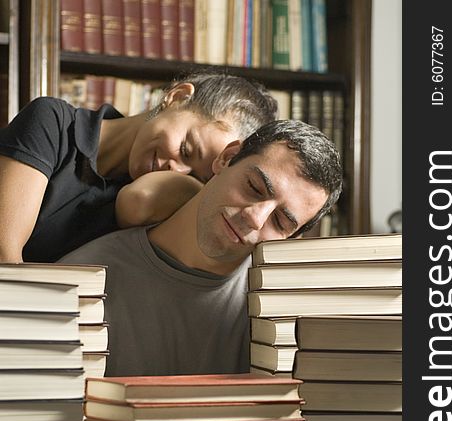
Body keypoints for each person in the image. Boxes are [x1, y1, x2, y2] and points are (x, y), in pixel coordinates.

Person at [59, 120, 343, 377]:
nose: (254, 219)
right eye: (254, 187)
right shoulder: (82, 279)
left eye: (280, 221)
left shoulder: (284, 319)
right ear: (227, 158)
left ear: (291, 240)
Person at [0, 70, 277, 263]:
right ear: (177, 96)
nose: (176, 169)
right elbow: (5, 256)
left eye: (196, 176)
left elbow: (138, 201)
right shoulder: (53, 122)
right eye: (186, 150)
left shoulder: (165, 199)